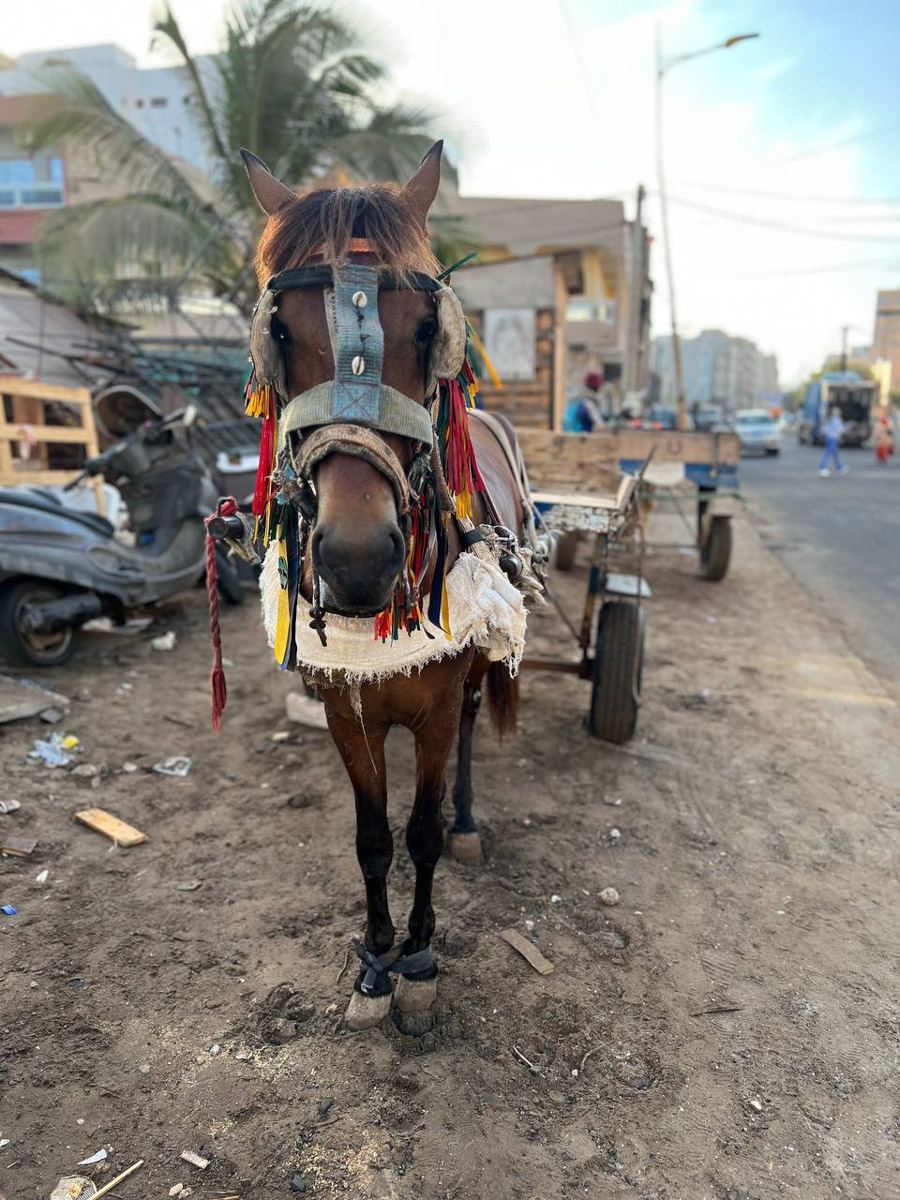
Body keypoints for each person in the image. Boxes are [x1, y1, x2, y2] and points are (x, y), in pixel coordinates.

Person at [818, 408, 848, 476]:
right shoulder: (836, 420)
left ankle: (839, 467)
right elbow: (840, 429)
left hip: (829, 438)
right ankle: (822, 467)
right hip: (833, 438)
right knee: (829, 453)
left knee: (834, 454)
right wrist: (846, 428)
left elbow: (824, 429)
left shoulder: (830, 419)